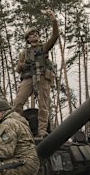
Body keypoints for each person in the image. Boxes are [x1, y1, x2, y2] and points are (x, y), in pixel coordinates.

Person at [13, 9, 59, 138]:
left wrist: (53, 19)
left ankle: (42, 130)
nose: (34, 36)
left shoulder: (43, 48)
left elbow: (55, 36)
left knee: (44, 105)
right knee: (17, 103)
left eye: (35, 34)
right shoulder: (25, 53)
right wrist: (23, 65)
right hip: (28, 78)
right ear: (28, 39)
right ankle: (21, 129)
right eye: (31, 35)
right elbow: (18, 68)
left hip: (42, 77)